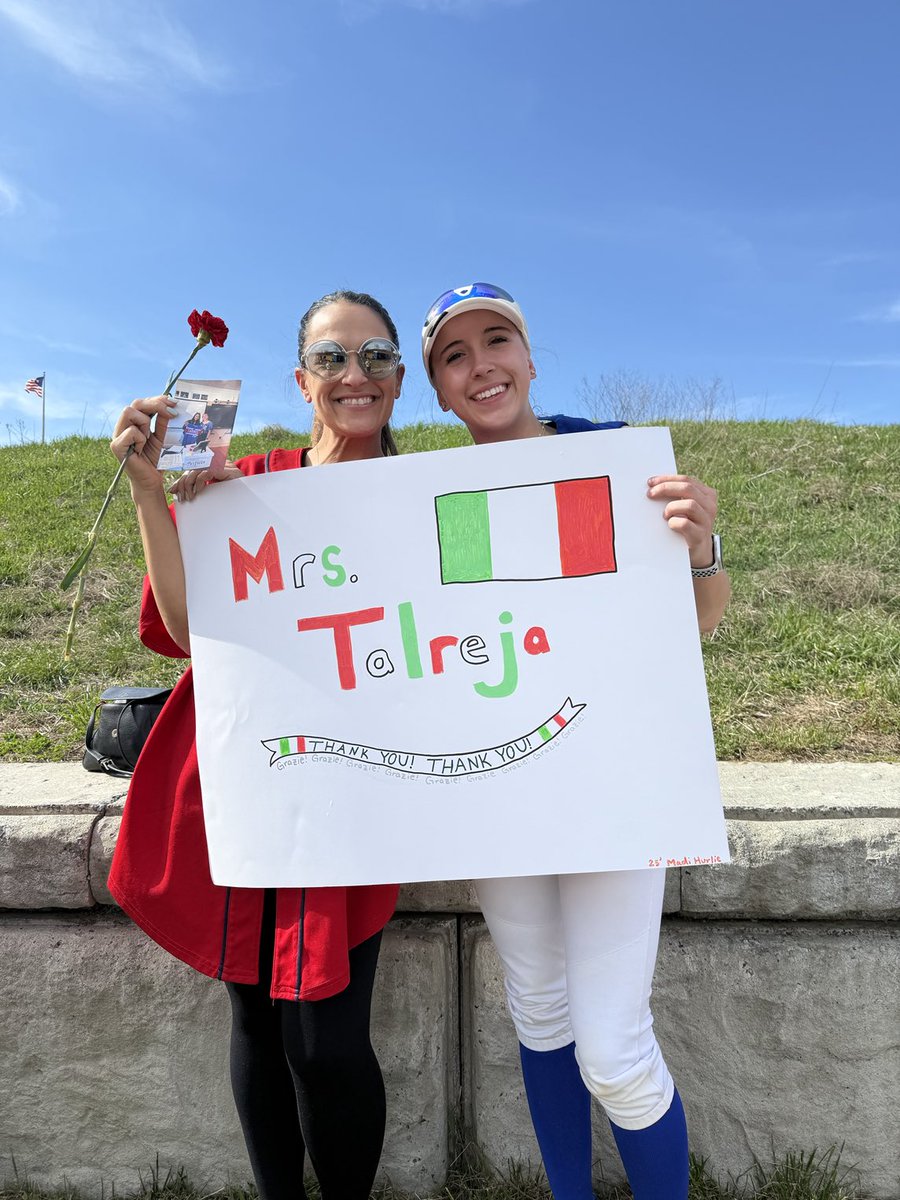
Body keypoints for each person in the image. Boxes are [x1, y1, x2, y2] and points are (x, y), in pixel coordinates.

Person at [421, 282, 731, 1200]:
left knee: (614, 1051)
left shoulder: (607, 458)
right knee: (541, 1015)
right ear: (439, 389)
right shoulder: (429, 497)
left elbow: (698, 627)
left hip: (611, 785)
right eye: (455, 354)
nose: (483, 366)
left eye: (498, 340)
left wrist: (701, 546)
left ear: (530, 355)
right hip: (501, 791)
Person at [107, 290, 405, 1200]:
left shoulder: (425, 499)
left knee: (327, 1038)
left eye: (376, 356)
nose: (354, 375)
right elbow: (190, 621)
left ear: (400, 376)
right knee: (255, 1014)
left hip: (357, 784)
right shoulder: (249, 479)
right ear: (300, 377)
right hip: (245, 768)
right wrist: (150, 491)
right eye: (331, 358)